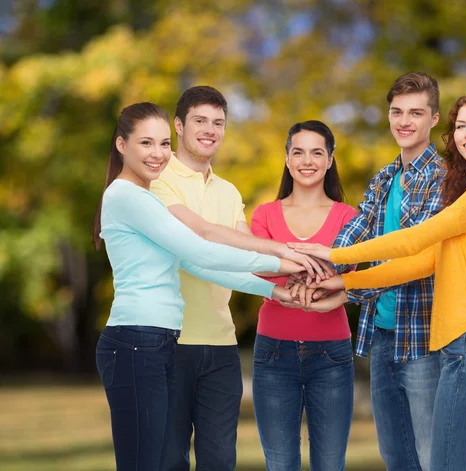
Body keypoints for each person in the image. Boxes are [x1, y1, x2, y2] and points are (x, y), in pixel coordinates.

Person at [291, 89, 466, 471]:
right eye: (462, 126)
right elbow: (421, 262)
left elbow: (415, 237)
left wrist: (334, 255)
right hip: (462, 349)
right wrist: (346, 284)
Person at [92, 102, 300, 471]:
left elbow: (192, 262)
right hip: (135, 341)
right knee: (144, 462)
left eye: (162, 144)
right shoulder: (127, 196)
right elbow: (201, 249)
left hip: (153, 341)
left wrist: (275, 290)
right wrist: (285, 263)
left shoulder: (144, 197)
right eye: (146, 143)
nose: (158, 154)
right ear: (121, 145)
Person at [149, 86, 331, 471]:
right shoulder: (156, 182)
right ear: (178, 126)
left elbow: (244, 257)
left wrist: (282, 285)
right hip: (168, 341)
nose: (210, 130)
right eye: (200, 121)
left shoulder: (229, 192)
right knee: (166, 459)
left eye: (218, 123)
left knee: (220, 461)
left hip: (220, 346)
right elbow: (200, 239)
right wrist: (287, 252)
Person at [293, 72, 445, 470]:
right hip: (381, 334)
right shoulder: (384, 178)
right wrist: (311, 267)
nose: (404, 121)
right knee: (395, 455)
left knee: (433, 456)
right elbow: (354, 236)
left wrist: (343, 287)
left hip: (424, 336)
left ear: (435, 118)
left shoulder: (444, 179)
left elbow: (410, 255)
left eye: (416, 112)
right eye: (397, 111)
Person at [249, 120, 357, 471]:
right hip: (273, 352)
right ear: (286, 158)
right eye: (298, 151)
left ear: (329, 159)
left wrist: (288, 264)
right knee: (280, 464)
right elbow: (257, 266)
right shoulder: (264, 213)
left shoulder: (348, 217)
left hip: (332, 354)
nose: (306, 160)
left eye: (316, 152)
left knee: (330, 463)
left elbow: (351, 274)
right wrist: (316, 264)